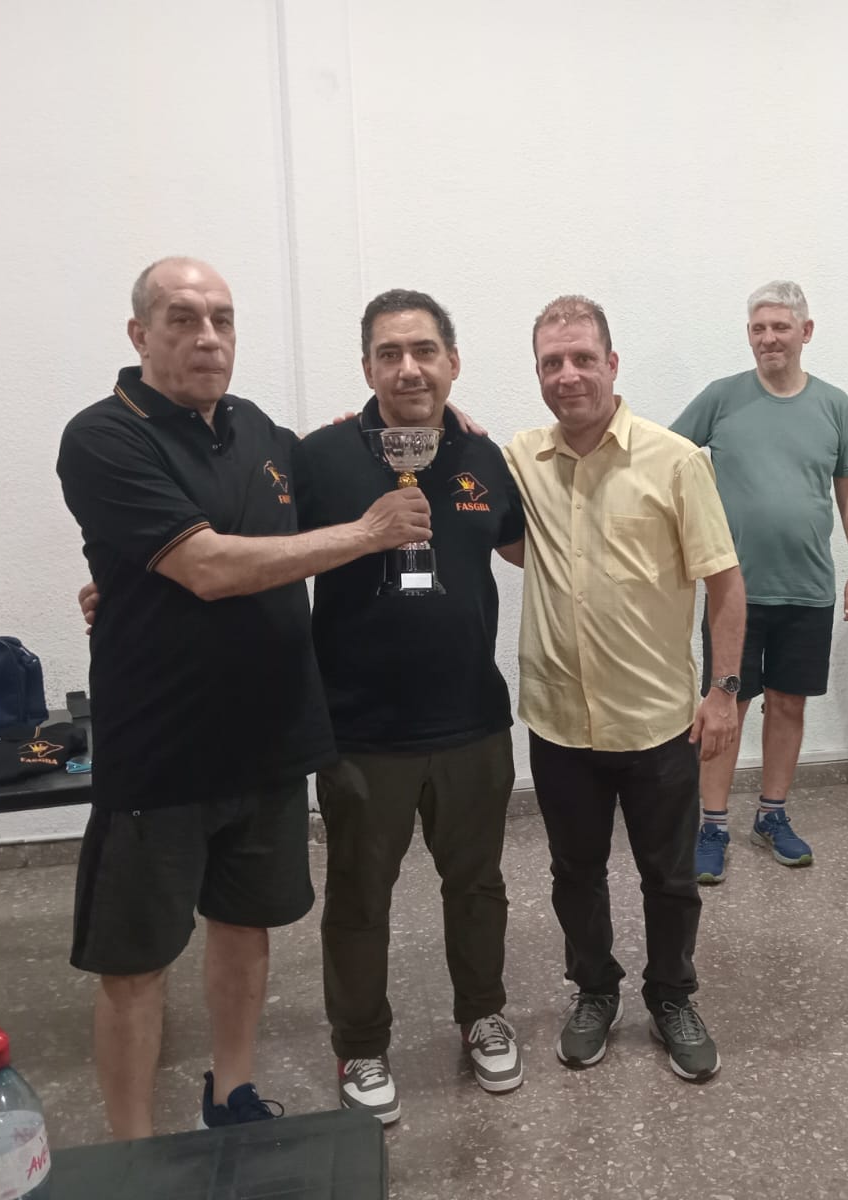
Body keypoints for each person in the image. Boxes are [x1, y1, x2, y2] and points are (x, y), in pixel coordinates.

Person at [55, 257, 428, 1138]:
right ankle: (131, 1150)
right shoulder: (103, 436)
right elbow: (209, 566)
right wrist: (367, 534)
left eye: (221, 319)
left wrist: (436, 421)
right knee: (136, 964)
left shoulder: (258, 430)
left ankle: (233, 1093)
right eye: (183, 319)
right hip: (161, 751)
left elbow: (343, 460)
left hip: (268, 741)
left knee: (244, 927)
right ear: (140, 334)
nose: (208, 337)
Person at [293, 289, 526, 1124]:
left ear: (452, 362)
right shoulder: (320, 458)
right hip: (361, 731)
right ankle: (360, 1045)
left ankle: (483, 1015)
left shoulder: (485, 456)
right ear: (366, 368)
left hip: (471, 723)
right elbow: (253, 547)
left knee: (478, 884)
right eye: (389, 353)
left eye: (425, 350)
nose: (409, 368)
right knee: (360, 899)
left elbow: (532, 546)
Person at [501, 295, 746, 1082]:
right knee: (573, 874)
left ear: (612, 363)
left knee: (669, 877)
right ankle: (595, 991)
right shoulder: (520, 459)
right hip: (560, 721)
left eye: (582, 358)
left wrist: (724, 691)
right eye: (551, 362)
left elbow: (726, 583)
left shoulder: (676, 461)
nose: (567, 375)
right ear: (538, 372)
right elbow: (451, 466)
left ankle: (672, 995)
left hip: (656, 723)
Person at [670, 281, 848, 885]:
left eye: (780, 327)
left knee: (788, 704)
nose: (768, 338)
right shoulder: (722, 397)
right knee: (724, 706)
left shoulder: (834, 404)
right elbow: (666, 459)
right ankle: (711, 825)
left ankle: (772, 814)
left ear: (805, 332)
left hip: (808, 589)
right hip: (734, 593)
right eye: (758, 328)